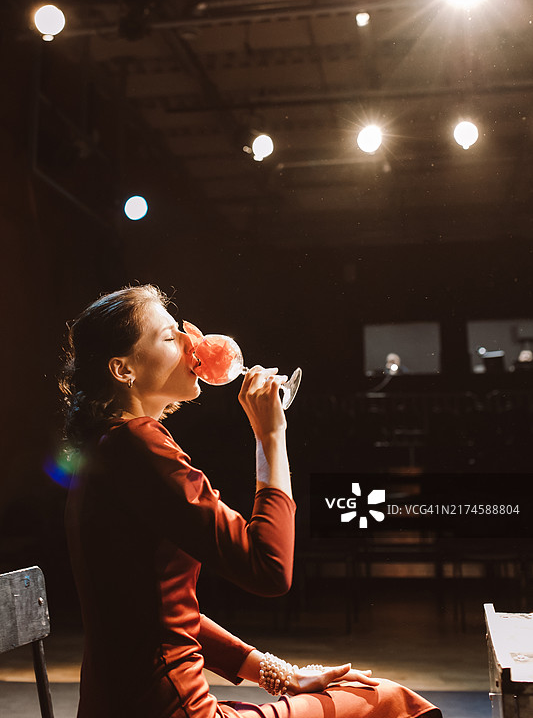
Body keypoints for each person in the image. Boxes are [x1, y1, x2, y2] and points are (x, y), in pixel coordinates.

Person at [61, 284, 441, 718]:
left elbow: (157, 612)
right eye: (169, 337)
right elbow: (269, 567)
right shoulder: (139, 443)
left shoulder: (106, 447)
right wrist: (271, 436)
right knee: (386, 700)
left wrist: (277, 673)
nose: (192, 342)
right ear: (123, 369)